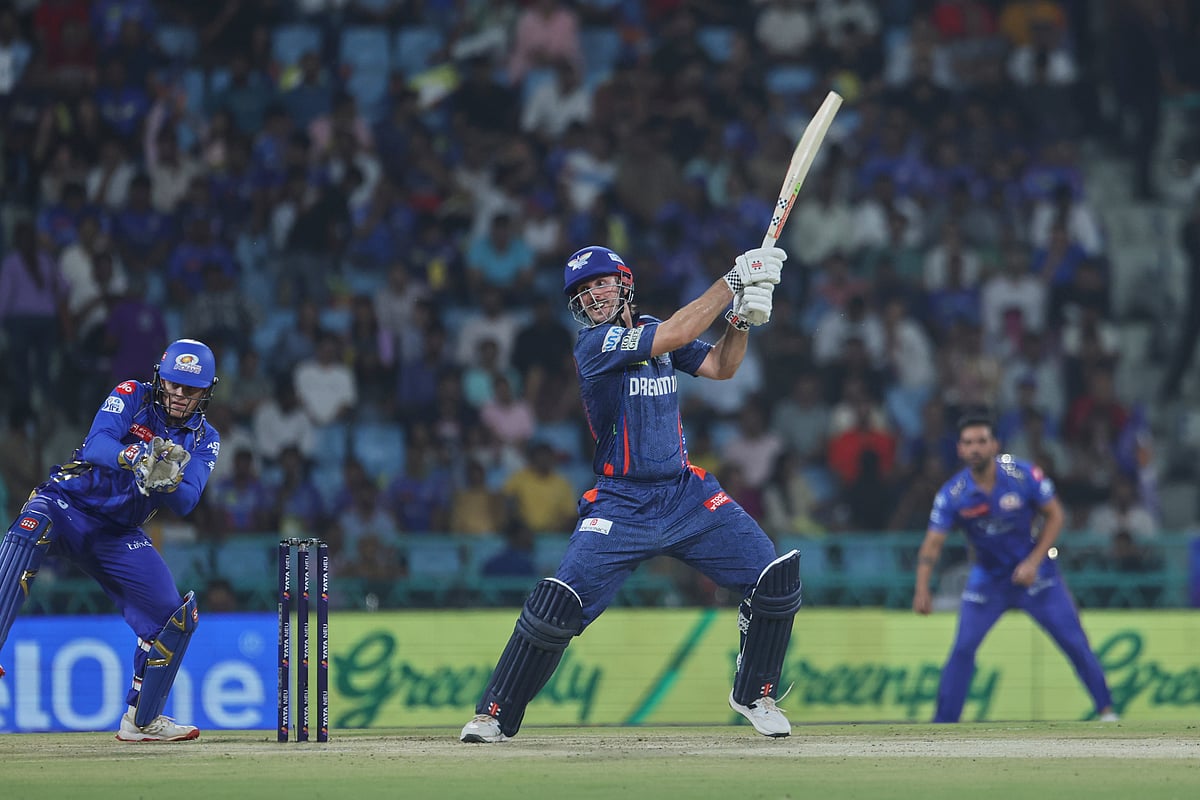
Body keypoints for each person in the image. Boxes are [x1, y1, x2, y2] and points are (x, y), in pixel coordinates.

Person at [460, 243, 802, 743]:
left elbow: (721, 367)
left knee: (773, 577)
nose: (591, 295)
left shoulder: (651, 328)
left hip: (686, 495)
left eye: (599, 282)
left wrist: (742, 320)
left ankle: (754, 693)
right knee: (559, 605)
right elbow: (682, 332)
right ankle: (493, 714)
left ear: (624, 283)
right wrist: (733, 281)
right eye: (581, 290)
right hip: (621, 503)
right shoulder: (594, 345)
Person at [0, 339, 222, 742]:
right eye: (172, 384)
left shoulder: (206, 438)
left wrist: (167, 476)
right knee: (30, 527)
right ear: (160, 377)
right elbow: (98, 443)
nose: (178, 395)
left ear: (206, 392)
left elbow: (189, 499)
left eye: (189, 390)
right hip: (66, 505)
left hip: (117, 534)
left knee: (176, 618)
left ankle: (143, 720)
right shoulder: (131, 394)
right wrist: (136, 456)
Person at [912, 411, 1118, 723]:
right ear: (959, 449)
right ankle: (943, 725)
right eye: (968, 443)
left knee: (1075, 642)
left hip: (1038, 575)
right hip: (988, 578)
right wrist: (921, 588)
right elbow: (932, 544)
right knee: (963, 649)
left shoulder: (1023, 475)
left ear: (995, 444)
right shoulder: (952, 495)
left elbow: (1056, 515)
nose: (975, 448)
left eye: (982, 441)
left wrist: (1034, 561)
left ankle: (1107, 713)